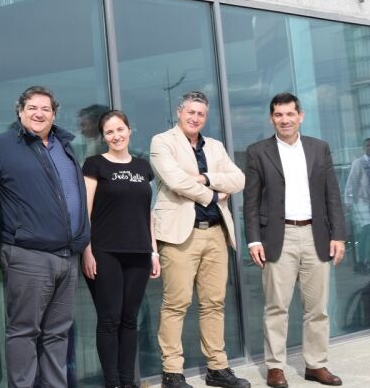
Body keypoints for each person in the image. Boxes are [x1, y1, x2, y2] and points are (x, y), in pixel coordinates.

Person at [243, 93, 346, 387]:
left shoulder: (319, 148)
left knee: (318, 308)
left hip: (316, 235)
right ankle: (276, 367)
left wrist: (338, 235)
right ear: (271, 118)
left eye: (290, 114)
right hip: (278, 237)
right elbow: (251, 201)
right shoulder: (258, 152)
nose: (285, 120)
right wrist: (253, 240)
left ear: (301, 116)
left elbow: (332, 195)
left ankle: (316, 364)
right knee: (276, 307)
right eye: (278, 115)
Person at [0, 85, 88, 388]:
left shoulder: (64, 146)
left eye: (45, 109)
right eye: (32, 107)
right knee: (24, 332)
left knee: (58, 333)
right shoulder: (1, 146)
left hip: (67, 255)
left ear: (54, 114)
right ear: (20, 112)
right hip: (27, 254)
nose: (39, 114)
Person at [149, 91, 249, 388]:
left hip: (216, 232)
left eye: (200, 114)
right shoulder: (162, 141)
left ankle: (217, 368)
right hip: (180, 235)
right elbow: (175, 181)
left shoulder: (215, 146)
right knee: (176, 304)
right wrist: (214, 194)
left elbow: (239, 179)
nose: (195, 118)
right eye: (190, 112)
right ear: (179, 112)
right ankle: (172, 373)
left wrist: (205, 178)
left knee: (214, 303)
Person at [81, 109, 160, 388]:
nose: (116, 136)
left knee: (130, 319)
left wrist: (153, 251)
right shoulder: (94, 165)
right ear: (103, 137)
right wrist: (87, 250)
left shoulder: (143, 167)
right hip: (105, 252)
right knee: (109, 319)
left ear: (129, 130)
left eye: (120, 129)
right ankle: (112, 383)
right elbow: (85, 212)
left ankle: (128, 382)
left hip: (139, 251)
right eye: (109, 132)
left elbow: (147, 213)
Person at [346, 138, 370, 274]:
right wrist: (349, 201)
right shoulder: (359, 163)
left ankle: (366, 260)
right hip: (362, 201)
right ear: (363, 148)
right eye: (368, 145)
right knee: (366, 229)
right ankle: (361, 261)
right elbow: (351, 182)